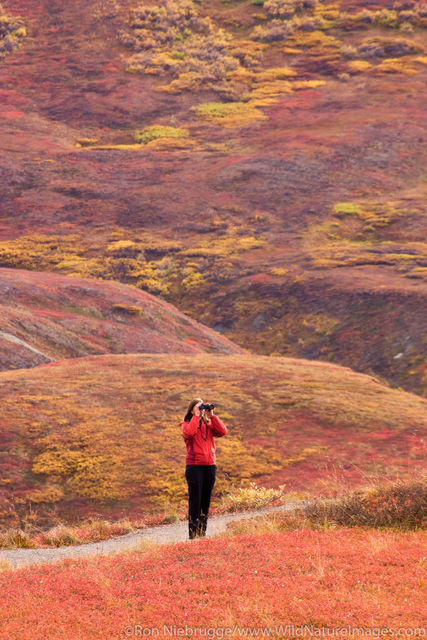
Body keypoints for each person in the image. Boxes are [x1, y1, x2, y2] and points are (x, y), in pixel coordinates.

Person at [180, 398, 228, 540]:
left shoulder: (209, 424)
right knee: (196, 500)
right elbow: (189, 433)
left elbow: (223, 431)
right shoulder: (186, 424)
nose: (201, 410)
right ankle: (193, 534)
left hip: (210, 466)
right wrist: (196, 416)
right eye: (198, 407)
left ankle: (202, 533)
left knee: (206, 500)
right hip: (194, 466)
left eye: (202, 407)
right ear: (192, 409)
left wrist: (211, 415)